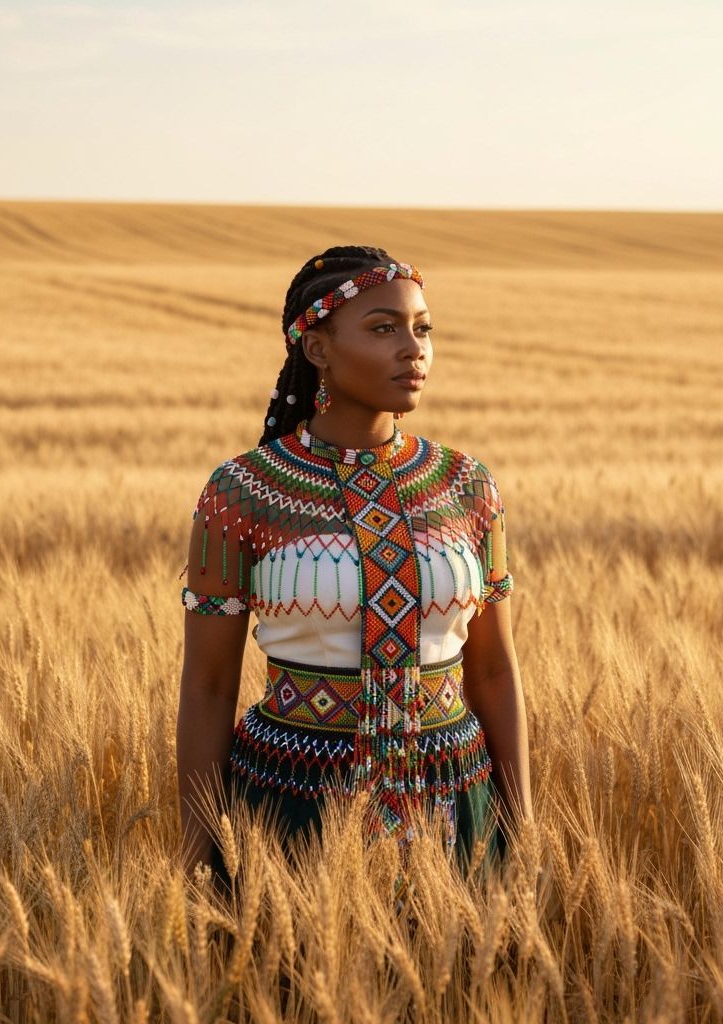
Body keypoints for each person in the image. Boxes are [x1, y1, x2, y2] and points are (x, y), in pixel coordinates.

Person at [176, 245, 531, 883]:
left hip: (457, 804)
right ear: (317, 349)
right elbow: (207, 688)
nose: (413, 348)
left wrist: (521, 831)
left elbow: (497, 674)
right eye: (383, 328)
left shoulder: (469, 485)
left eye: (422, 328)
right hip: (290, 804)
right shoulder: (239, 493)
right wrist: (197, 861)